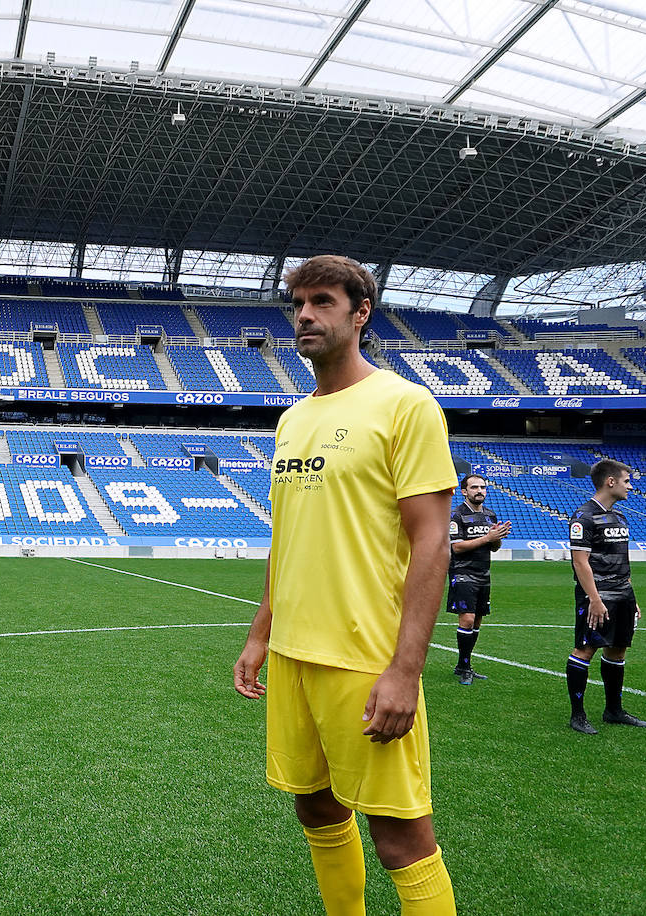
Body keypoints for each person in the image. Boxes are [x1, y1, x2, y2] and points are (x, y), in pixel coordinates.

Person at [234, 254, 458, 916]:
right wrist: (259, 634)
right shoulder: (292, 419)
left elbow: (431, 542)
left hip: (366, 658)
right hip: (294, 655)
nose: (305, 314)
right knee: (316, 807)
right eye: (298, 303)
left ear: (361, 313)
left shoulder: (405, 404)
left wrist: (406, 671)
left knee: (400, 836)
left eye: (323, 301)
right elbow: (288, 539)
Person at [565, 459, 646, 734]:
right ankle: (577, 715)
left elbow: (621, 559)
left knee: (618, 648)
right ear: (610, 481)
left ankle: (613, 710)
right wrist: (594, 599)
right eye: (627, 481)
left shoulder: (620, 517)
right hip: (597, 595)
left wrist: (630, 594)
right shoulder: (584, 516)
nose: (630, 486)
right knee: (586, 649)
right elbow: (580, 562)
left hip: (622, 593)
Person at [447, 474, 510, 685]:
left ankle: (462, 664)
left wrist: (497, 538)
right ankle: (465, 667)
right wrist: (487, 538)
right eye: (474, 487)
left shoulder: (490, 516)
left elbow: (493, 547)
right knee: (466, 619)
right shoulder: (456, 515)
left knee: (477, 620)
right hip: (462, 572)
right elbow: (456, 547)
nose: (480, 490)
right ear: (464, 491)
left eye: (483, 487)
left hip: (484, 573)